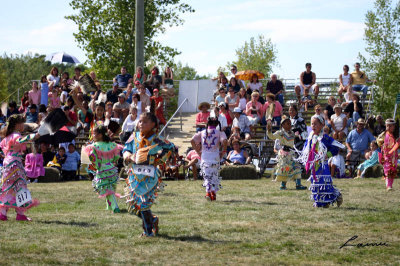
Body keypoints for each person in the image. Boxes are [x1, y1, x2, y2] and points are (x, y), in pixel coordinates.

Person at [123, 112, 176, 237]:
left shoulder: (156, 139)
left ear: (153, 124)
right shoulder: (134, 136)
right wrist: (129, 156)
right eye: (140, 121)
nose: (141, 124)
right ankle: (152, 220)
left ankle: (148, 232)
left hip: (149, 175)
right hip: (135, 175)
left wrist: (159, 159)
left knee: (144, 203)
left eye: (145, 122)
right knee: (134, 205)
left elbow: (171, 147)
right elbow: (126, 149)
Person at [296, 115, 344, 208]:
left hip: (323, 164)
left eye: (316, 124)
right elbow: (306, 149)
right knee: (315, 183)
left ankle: (336, 196)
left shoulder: (325, 138)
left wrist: (327, 155)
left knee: (324, 183)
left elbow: (335, 148)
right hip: (314, 165)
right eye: (312, 124)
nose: (313, 126)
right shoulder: (310, 138)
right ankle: (319, 202)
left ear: (322, 125)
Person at [0, 114, 40, 221]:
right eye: (22, 123)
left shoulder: (7, 137)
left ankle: (2, 214)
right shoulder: (15, 135)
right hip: (15, 164)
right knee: (21, 187)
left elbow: (2, 148)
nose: (23, 125)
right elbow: (21, 140)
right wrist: (33, 136)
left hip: (7, 163)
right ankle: (20, 214)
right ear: (17, 125)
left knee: (7, 187)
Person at [84, 125, 123, 212]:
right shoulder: (112, 145)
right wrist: (113, 162)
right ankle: (109, 206)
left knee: (106, 189)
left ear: (100, 135)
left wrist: (97, 165)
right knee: (109, 188)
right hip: (112, 169)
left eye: (94, 133)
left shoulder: (94, 146)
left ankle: (115, 207)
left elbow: (92, 157)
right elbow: (117, 156)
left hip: (102, 170)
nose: (93, 135)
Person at [191, 116, 227, 201]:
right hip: (215, 156)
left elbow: (192, 140)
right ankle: (213, 192)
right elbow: (225, 141)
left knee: (207, 175)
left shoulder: (202, 132)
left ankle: (208, 192)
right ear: (217, 124)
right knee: (214, 175)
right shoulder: (219, 132)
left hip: (205, 156)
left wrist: (197, 151)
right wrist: (223, 151)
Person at [267, 116, 306, 190]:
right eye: (287, 123)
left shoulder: (292, 133)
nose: (289, 125)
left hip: (291, 153)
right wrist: (269, 130)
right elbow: (271, 136)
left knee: (297, 167)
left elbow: (296, 137)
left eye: (290, 123)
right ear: (283, 125)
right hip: (284, 154)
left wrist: (298, 136)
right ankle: (283, 185)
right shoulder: (280, 133)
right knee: (285, 168)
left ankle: (298, 184)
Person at [377, 119, 399, 191]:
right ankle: (388, 186)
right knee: (387, 170)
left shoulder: (396, 136)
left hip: (393, 157)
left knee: (393, 171)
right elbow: (379, 142)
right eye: (387, 126)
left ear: (394, 127)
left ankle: (390, 185)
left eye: (390, 126)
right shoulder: (383, 134)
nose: (388, 127)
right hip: (386, 156)